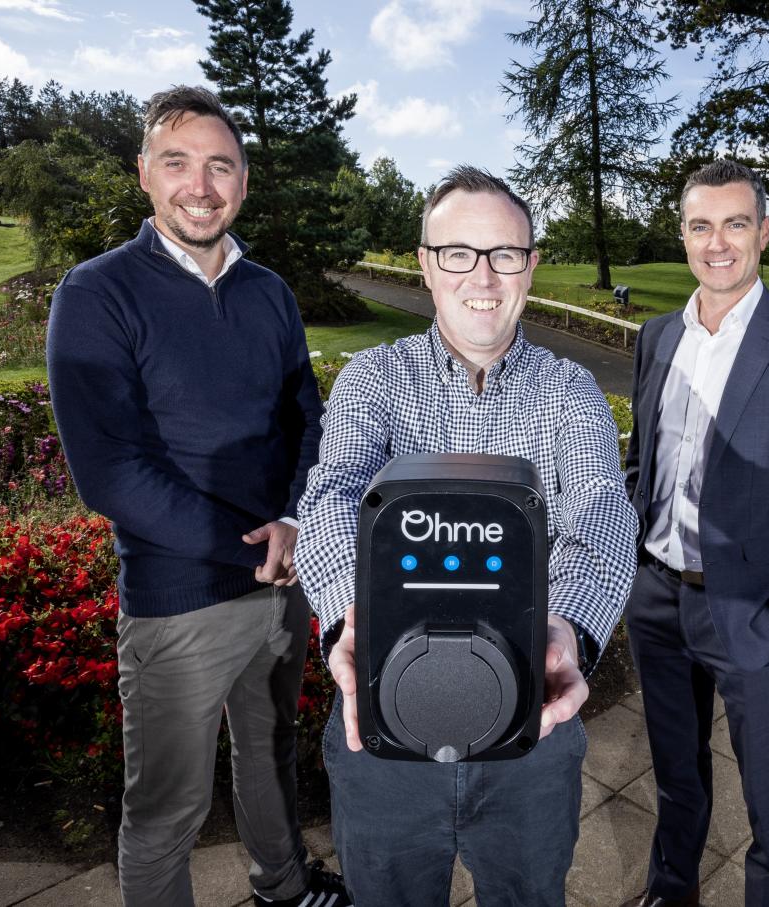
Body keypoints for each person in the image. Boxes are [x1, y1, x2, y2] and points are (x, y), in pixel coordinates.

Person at [295, 165, 638, 907]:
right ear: (424, 262)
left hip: (530, 743)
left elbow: (601, 507)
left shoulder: (569, 390)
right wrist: (354, 619)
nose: (483, 275)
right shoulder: (374, 379)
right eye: (458, 252)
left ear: (530, 264)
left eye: (504, 253)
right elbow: (333, 494)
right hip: (385, 731)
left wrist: (569, 632)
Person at [46, 85, 350, 907]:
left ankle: (284, 886)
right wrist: (256, 548)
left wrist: (293, 522)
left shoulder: (271, 293)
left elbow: (307, 422)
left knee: (271, 753)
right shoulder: (96, 293)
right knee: (166, 811)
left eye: (221, 166)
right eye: (178, 163)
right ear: (145, 173)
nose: (201, 185)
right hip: (179, 600)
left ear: (243, 181)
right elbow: (110, 472)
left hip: (281, 586)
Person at [619, 159, 769, 907]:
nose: (716, 241)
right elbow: (642, 459)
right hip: (656, 597)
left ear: (764, 233)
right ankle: (671, 887)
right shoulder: (658, 336)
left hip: (750, 609)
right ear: (683, 234)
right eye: (700, 225)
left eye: (734, 223)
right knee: (675, 769)